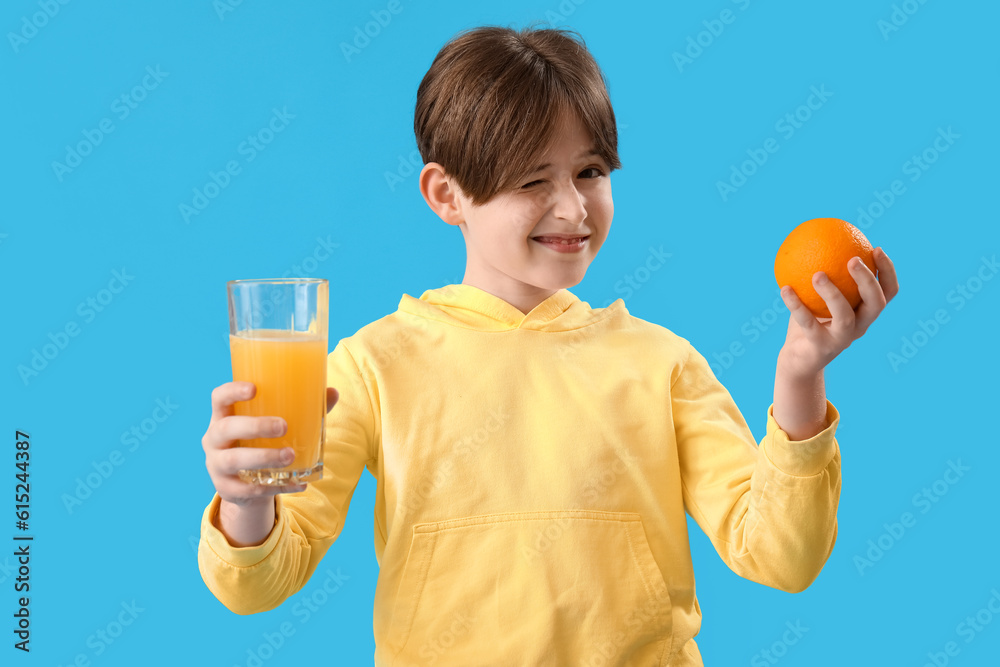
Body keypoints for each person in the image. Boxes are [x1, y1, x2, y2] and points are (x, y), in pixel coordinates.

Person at [198, 24, 899, 665]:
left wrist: (800, 375)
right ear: (447, 195)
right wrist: (246, 502)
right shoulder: (373, 365)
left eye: (590, 171)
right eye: (533, 179)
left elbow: (783, 553)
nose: (573, 207)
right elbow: (258, 586)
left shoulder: (661, 363)